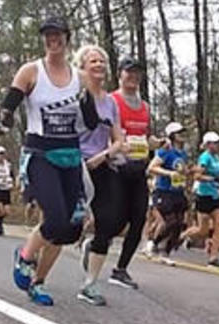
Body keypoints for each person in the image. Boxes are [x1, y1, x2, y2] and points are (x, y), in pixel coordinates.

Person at [0, 15, 100, 306]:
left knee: (71, 228)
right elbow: (9, 105)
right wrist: (3, 120)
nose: (53, 40)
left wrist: (86, 100)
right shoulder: (31, 71)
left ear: (67, 38)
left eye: (58, 35)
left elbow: (91, 123)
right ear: (44, 40)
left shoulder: (80, 78)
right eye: (48, 36)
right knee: (54, 219)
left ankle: (37, 282)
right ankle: (25, 256)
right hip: (40, 155)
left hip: (70, 155)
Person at [75, 44, 125, 306]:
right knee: (66, 225)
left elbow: (118, 140)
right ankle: (33, 259)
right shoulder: (75, 97)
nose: (98, 65)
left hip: (102, 164)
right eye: (93, 61)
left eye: (102, 62)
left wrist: (103, 155)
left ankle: (89, 284)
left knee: (110, 222)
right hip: (75, 163)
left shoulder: (111, 102)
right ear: (82, 67)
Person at [100, 56, 154, 287]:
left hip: (138, 169)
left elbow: (145, 136)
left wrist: (157, 143)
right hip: (116, 169)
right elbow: (102, 134)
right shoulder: (111, 100)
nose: (133, 77)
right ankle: (96, 244)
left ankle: (120, 269)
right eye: (128, 72)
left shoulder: (145, 107)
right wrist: (116, 148)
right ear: (120, 74)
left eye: (136, 73)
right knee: (116, 219)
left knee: (139, 218)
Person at [147, 122, 189, 265]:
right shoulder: (166, 150)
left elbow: (183, 170)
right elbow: (152, 168)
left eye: (183, 132)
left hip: (178, 191)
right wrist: (169, 173)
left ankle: (165, 253)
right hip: (163, 191)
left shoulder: (182, 153)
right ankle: (153, 243)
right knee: (169, 222)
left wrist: (187, 173)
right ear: (172, 135)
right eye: (179, 133)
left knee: (179, 224)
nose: (182, 135)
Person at [185, 131, 219, 268]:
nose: (217, 145)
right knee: (202, 230)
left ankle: (213, 257)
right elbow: (197, 176)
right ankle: (180, 237)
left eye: (218, 143)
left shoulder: (218, 158)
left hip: (215, 196)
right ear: (208, 145)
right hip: (204, 196)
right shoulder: (205, 158)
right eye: (215, 143)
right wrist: (213, 178)